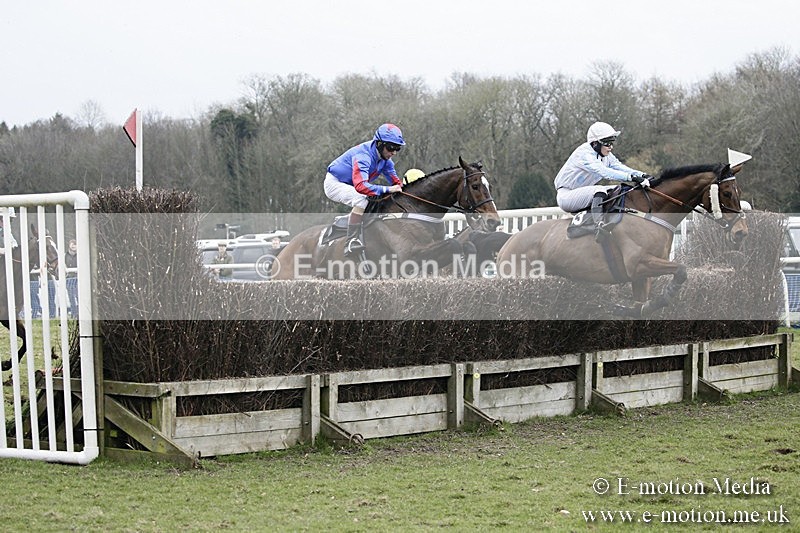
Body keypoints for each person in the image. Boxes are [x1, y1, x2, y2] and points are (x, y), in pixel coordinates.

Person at [554, 121, 652, 242]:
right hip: (566, 196)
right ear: (595, 143)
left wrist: (641, 174)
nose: (611, 147)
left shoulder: (605, 154)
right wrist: (632, 178)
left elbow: (619, 167)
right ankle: (598, 226)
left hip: (582, 193)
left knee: (618, 189)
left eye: (612, 143)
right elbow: (605, 172)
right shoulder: (584, 154)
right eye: (607, 143)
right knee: (600, 189)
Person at [324, 123, 405, 256]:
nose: (394, 152)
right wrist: (388, 189)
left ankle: (357, 223)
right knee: (361, 200)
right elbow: (361, 186)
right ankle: (351, 241)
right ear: (379, 144)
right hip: (334, 183)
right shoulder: (363, 156)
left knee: (380, 199)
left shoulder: (386, 161)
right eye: (391, 147)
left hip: (352, 185)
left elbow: (397, 184)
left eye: (398, 148)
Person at [64, 238, 79, 317]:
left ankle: (79, 312)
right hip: (69, 279)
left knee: (78, 296)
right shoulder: (65, 255)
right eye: (72, 244)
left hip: (78, 280)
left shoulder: (79, 255)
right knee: (71, 297)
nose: (73, 246)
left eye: (75, 244)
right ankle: (74, 313)